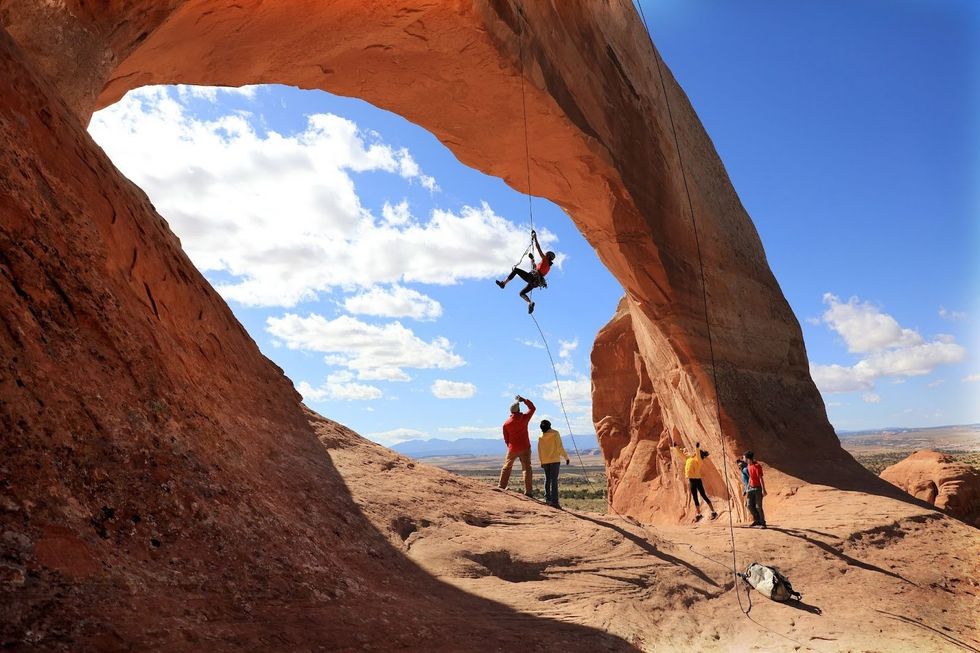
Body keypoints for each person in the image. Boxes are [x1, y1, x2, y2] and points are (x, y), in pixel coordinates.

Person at [495, 230, 556, 314]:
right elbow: (536, 269)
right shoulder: (548, 267)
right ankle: (529, 303)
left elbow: (538, 248)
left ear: (548, 256)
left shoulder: (545, 259)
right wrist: (532, 259)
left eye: (546, 255)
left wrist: (535, 238)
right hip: (535, 283)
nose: (545, 255)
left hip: (532, 278)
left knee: (516, 270)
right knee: (521, 293)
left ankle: (503, 284)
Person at [498, 395, 536, 496]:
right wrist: (524, 400)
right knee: (527, 468)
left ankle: (501, 486)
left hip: (513, 448)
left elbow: (506, 438)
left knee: (507, 467)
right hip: (525, 447)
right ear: (518, 410)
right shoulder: (524, 418)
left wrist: (510, 446)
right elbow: (532, 408)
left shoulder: (506, 424)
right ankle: (528, 491)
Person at [673, 440, 717, 521]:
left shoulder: (699, 461)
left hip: (697, 480)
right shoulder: (688, 458)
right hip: (691, 480)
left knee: (703, 495)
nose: (695, 454)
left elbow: (697, 454)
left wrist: (697, 448)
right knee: (695, 497)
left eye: (697, 454)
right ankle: (699, 514)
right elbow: (681, 454)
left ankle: (713, 512)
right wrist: (676, 447)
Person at [537, 419, 570, 508]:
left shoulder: (540, 436)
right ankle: (554, 501)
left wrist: (541, 461)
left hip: (545, 461)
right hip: (555, 460)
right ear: (550, 425)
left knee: (547, 479)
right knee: (554, 480)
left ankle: (547, 499)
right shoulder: (555, 433)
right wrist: (566, 457)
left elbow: (539, 451)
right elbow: (559, 447)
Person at [744, 450, 767, 528]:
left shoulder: (757, 466)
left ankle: (763, 523)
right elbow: (750, 476)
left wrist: (763, 489)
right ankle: (757, 520)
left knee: (758, 506)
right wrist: (747, 488)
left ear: (747, 458)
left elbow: (760, 478)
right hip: (750, 488)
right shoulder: (748, 466)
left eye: (744, 457)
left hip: (758, 488)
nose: (743, 458)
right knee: (749, 505)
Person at [736, 458, 752, 524]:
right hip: (748, 489)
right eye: (738, 465)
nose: (739, 466)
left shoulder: (745, 470)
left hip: (750, 489)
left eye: (740, 465)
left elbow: (750, 478)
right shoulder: (743, 471)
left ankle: (758, 519)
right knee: (748, 505)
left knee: (749, 504)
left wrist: (747, 489)